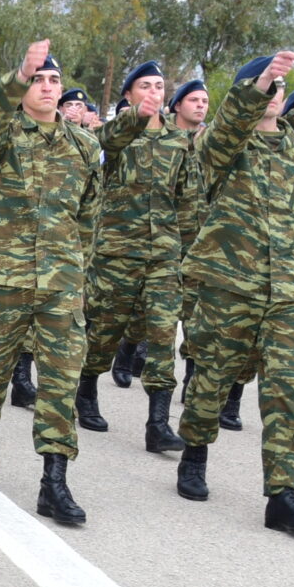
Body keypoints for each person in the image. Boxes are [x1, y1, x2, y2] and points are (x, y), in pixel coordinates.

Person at [170, 53, 294, 534]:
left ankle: (283, 493)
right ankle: (194, 452)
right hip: (230, 286)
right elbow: (225, 131)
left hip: (288, 292)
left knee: (291, 389)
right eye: (266, 87)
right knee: (212, 379)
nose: (274, 94)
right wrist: (257, 86)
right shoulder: (221, 146)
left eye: (280, 88)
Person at [0, 39, 102, 525]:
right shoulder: (1, 136)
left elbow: (89, 216)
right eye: (38, 80)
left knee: (60, 382)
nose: (46, 87)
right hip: (5, 276)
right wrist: (19, 73)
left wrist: (77, 270)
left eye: (53, 80)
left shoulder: (84, 145)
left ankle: (54, 482)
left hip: (61, 281)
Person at [78, 60, 196, 455]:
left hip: (163, 256)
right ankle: (86, 389)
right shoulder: (116, 135)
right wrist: (134, 119)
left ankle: (158, 423)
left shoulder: (179, 141)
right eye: (144, 86)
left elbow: (187, 199)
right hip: (116, 253)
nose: (153, 92)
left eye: (159, 86)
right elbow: (103, 144)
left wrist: (187, 253)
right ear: (128, 94)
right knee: (104, 331)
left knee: (162, 335)